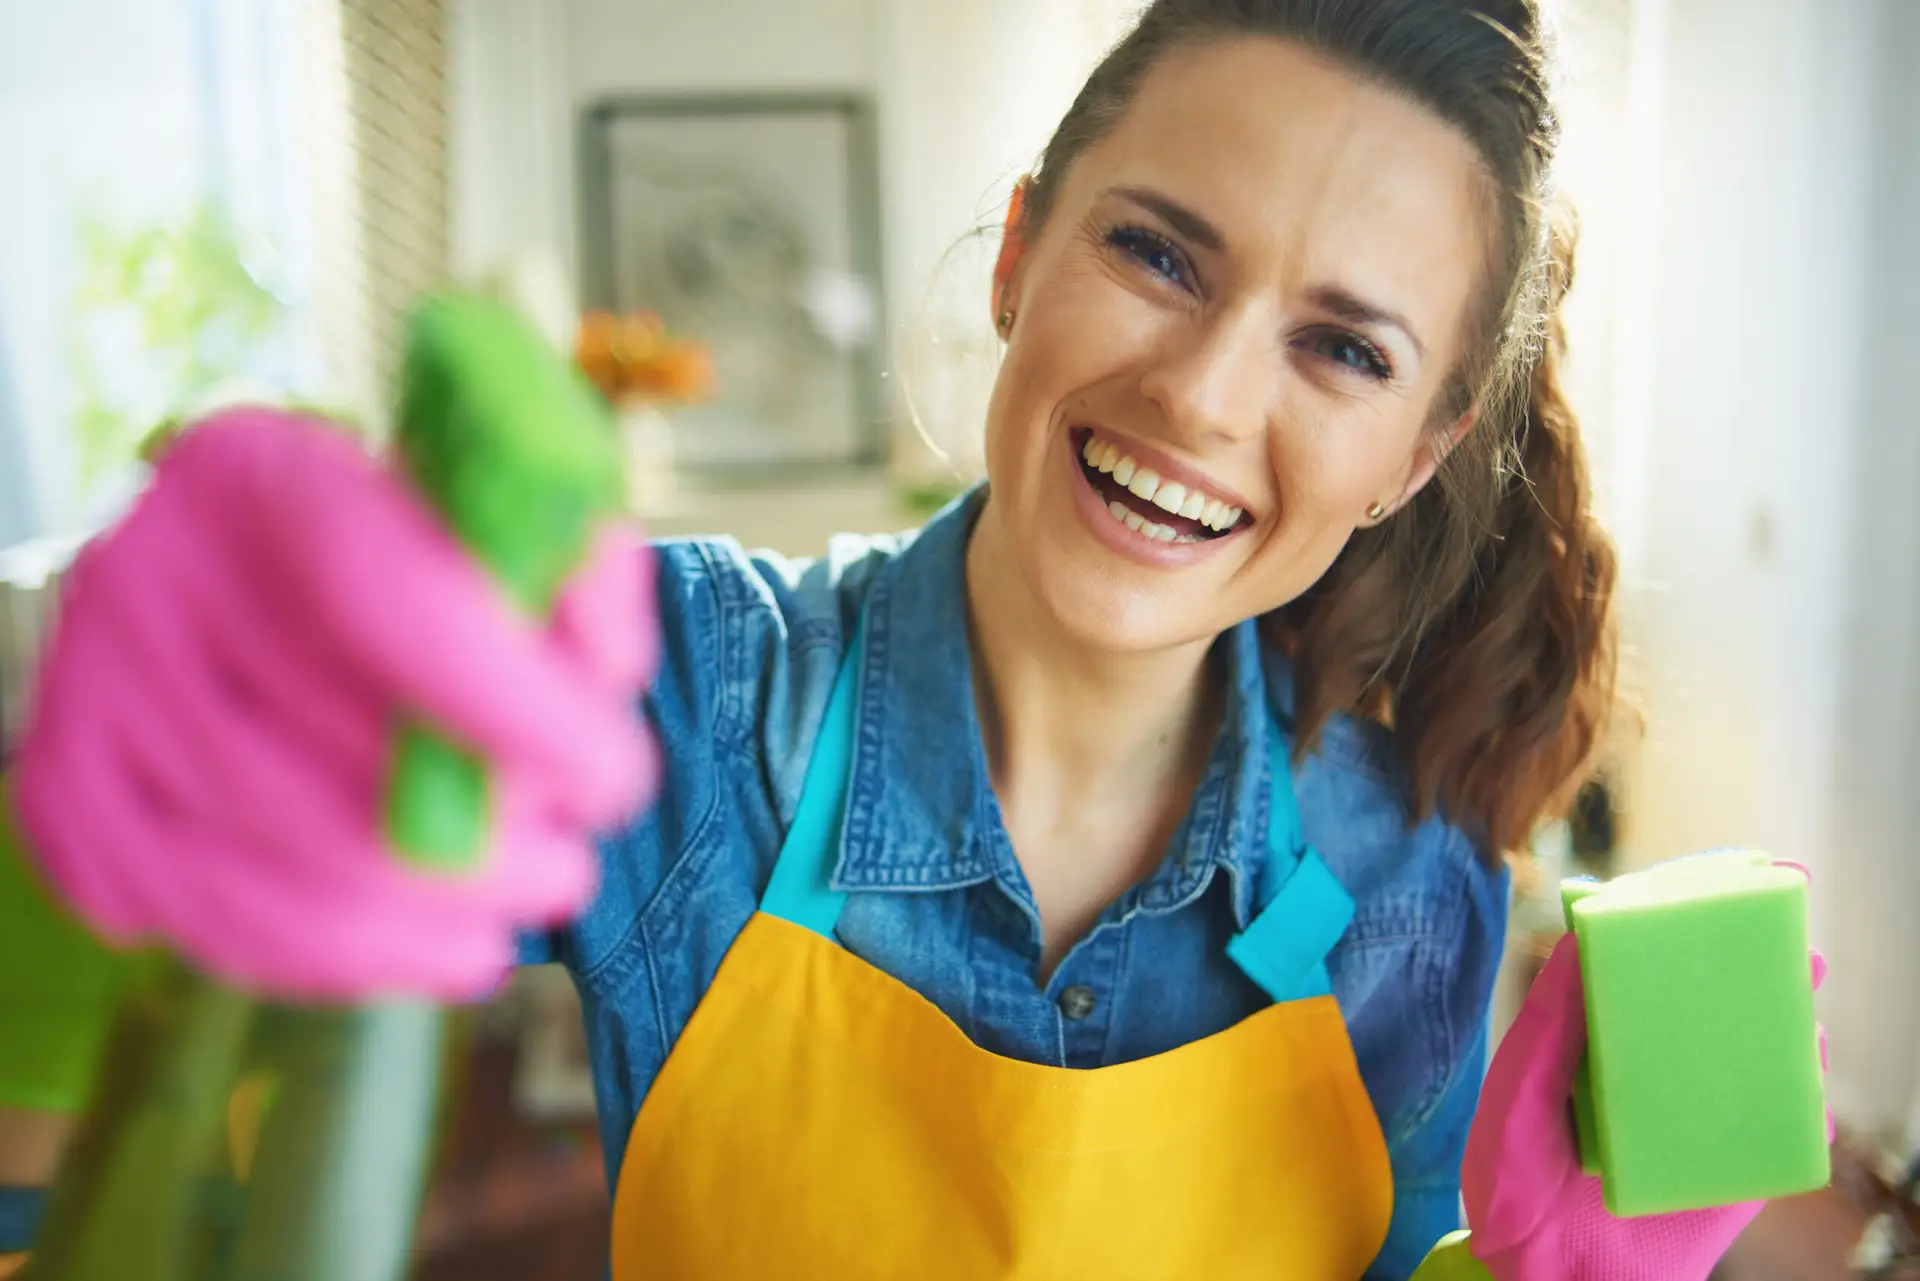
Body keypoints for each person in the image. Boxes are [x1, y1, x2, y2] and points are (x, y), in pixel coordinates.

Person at [8, 1, 1806, 1277]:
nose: (1195, 394)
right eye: (1162, 254)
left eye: (1343, 349)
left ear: (1415, 461)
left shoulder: (1409, 863)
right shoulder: (689, 694)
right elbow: (263, 846)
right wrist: (216, 700)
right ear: (1021, 251)